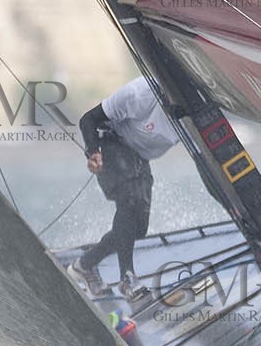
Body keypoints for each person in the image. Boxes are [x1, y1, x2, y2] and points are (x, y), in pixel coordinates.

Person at [69, 76, 182, 298]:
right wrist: (93, 152)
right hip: (110, 142)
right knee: (129, 201)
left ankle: (85, 264)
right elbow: (88, 120)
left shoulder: (192, 115)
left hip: (139, 157)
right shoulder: (139, 93)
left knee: (136, 229)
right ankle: (127, 278)